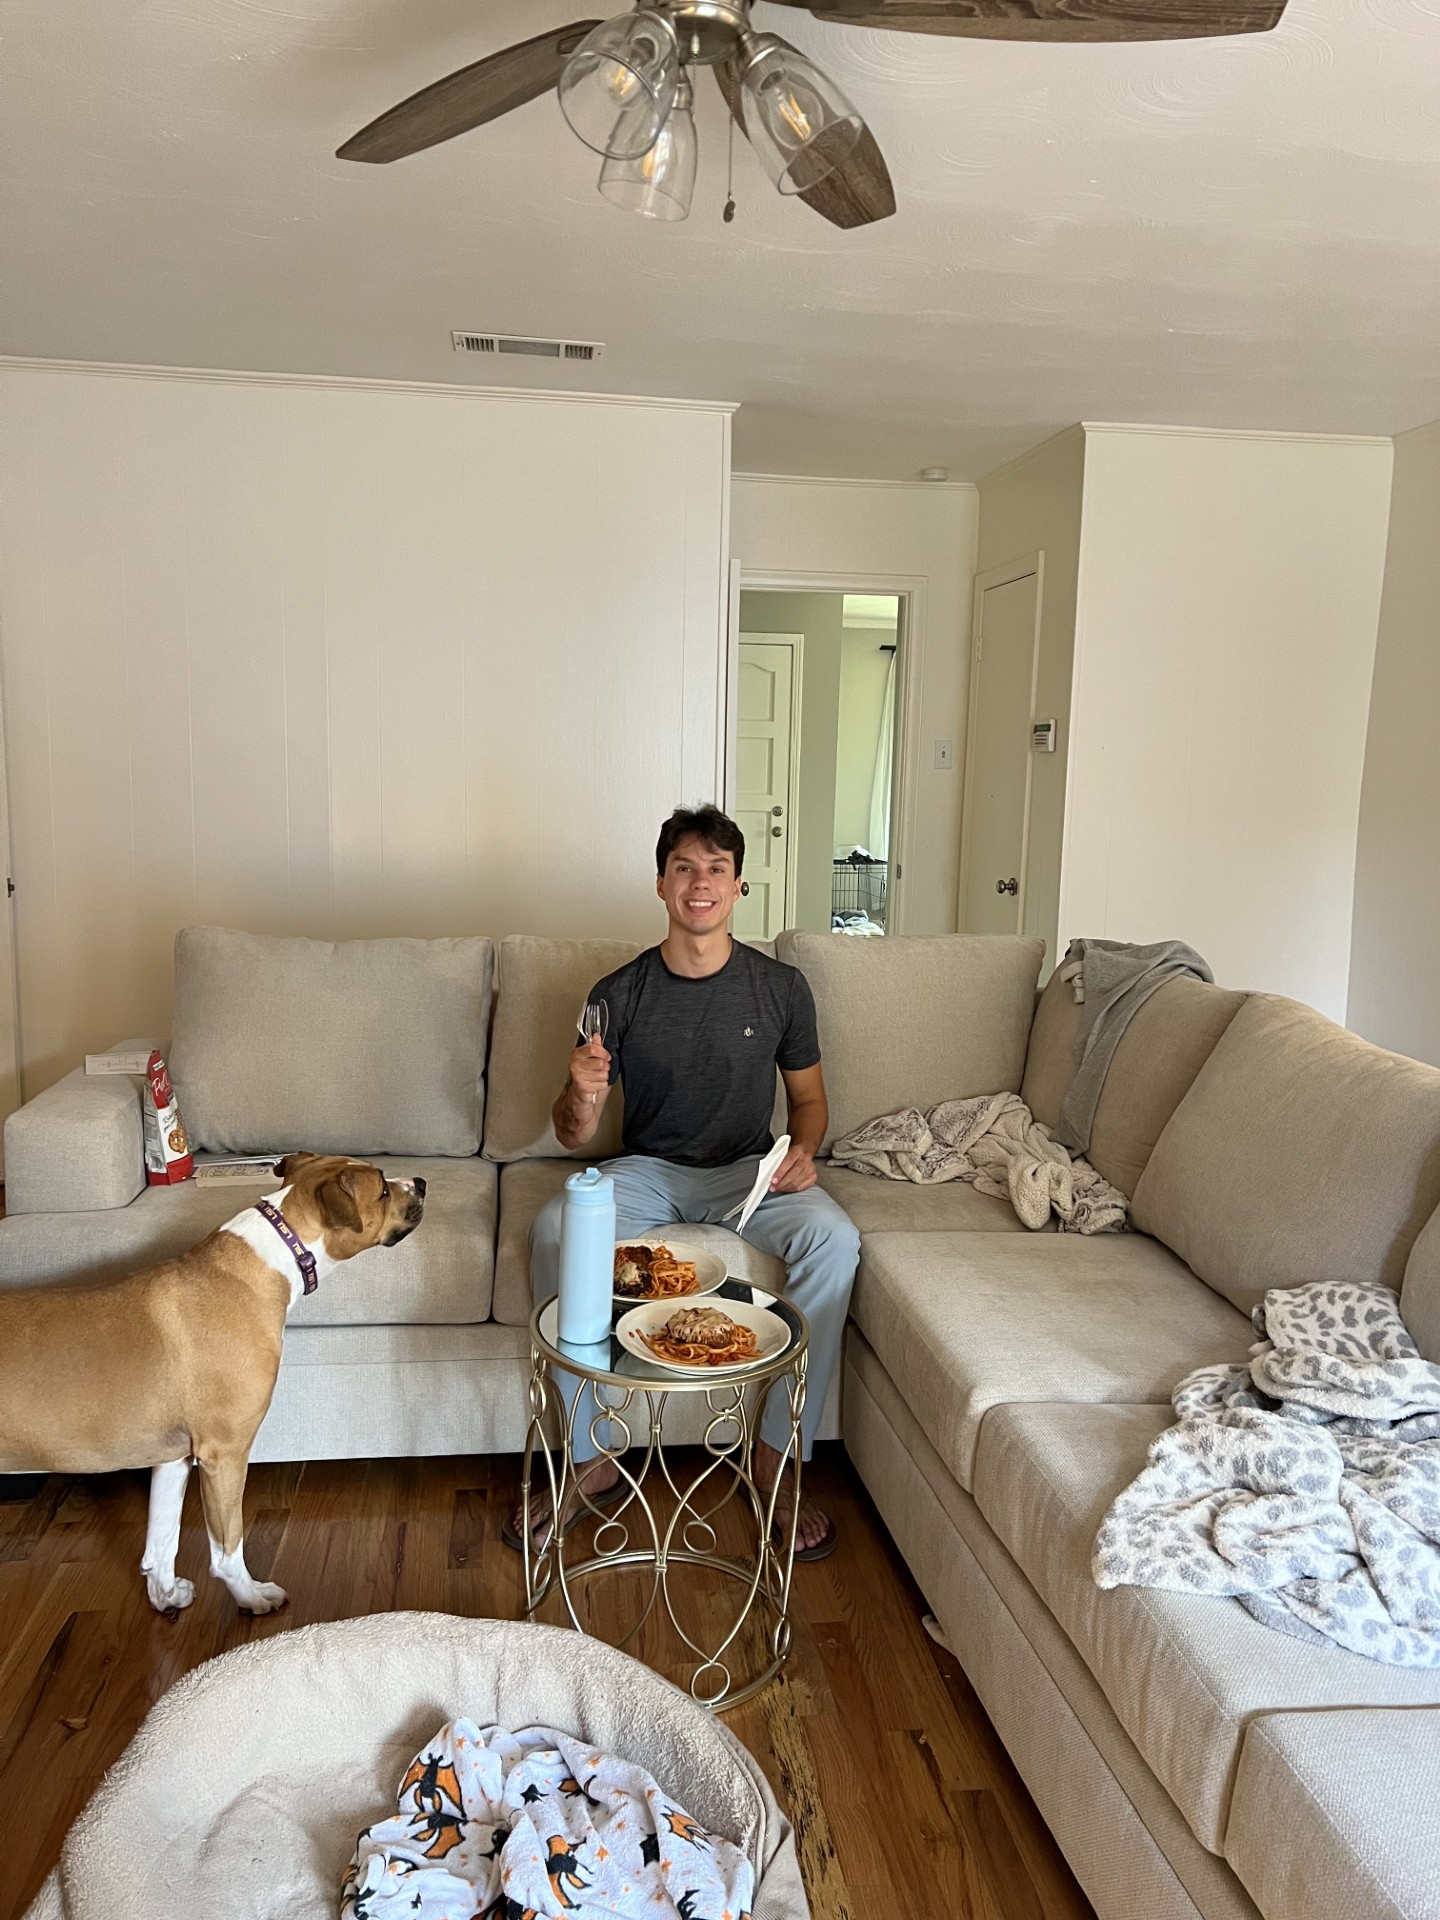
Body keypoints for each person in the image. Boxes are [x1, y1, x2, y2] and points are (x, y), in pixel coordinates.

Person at [506, 804, 860, 1561]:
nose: (700, 884)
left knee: (835, 1238)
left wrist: (805, 1148)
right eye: (684, 869)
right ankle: (591, 1458)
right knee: (553, 1230)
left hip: (749, 1173)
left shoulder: (781, 989)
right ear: (662, 885)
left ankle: (774, 1459)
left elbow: (808, 1101)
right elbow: (573, 1133)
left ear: (738, 888)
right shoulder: (619, 993)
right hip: (650, 1172)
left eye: (716, 870)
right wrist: (582, 1094)